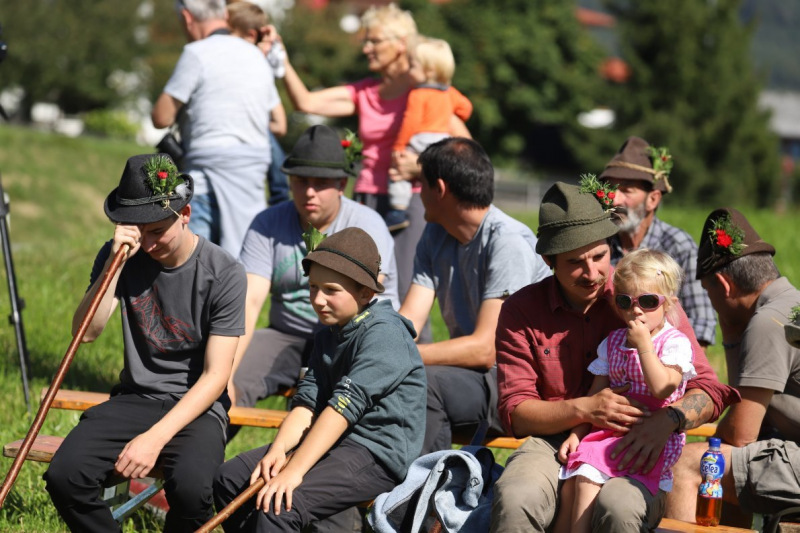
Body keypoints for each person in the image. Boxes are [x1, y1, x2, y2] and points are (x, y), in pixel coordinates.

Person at [491, 180, 739, 533]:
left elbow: (710, 391)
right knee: (517, 498)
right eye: (575, 262)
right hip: (554, 440)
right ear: (548, 261)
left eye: (599, 256)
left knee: (619, 507)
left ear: (611, 246)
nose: (592, 273)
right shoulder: (522, 310)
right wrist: (584, 411)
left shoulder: (646, 298)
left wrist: (666, 421)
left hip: (638, 441)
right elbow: (516, 411)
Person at [43, 154, 246, 532]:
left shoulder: (224, 271)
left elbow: (216, 377)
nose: (148, 244)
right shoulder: (119, 255)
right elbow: (85, 332)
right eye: (138, 230)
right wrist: (114, 265)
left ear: (184, 214)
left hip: (196, 407)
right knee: (65, 475)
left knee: (191, 490)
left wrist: (154, 438)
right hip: (135, 397)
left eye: (157, 231)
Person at [213, 227, 426, 532]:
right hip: (332, 440)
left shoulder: (385, 333)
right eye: (313, 287)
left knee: (280, 505)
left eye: (331, 290)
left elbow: (344, 406)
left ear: (366, 292)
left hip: (375, 454)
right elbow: (307, 402)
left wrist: (294, 470)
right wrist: (278, 450)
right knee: (231, 478)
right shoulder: (328, 334)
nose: (318, 300)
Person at [272, 3, 468, 335]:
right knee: (362, 282)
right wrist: (282, 60)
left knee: (407, 286)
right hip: (366, 196)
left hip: (409, 203)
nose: (366, 48)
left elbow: (465, 151)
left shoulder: (423, 90)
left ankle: (416, 369)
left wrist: (422, 166)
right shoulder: (366, 92)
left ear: (401, 43)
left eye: (374, 40)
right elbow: (307, 103)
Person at [229, 124, 398, 417]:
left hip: (351, 337)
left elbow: (364, 303)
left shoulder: (366, 226)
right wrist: (226, 375)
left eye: (321, 182)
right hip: (286, 332)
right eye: (300, 181)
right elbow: (250, 300)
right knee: (223, 387)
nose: (309, 192)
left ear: (341, 184)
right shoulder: (266, 224)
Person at [397, 137, 551, 454]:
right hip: (467, 377)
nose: (418, 192)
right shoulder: (436, 232)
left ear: (439, 188)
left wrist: (398, 357)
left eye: (419, 183)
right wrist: (375, 348)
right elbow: (408, 322)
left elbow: (485, 351)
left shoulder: (507, 242)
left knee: (421, 385)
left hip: (518, 385)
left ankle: (426, 497)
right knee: (380, 380)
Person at [666, 208, 800, 527]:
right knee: (727, 459)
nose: (711, 303)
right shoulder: (789, 303)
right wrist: (731, 333)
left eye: (709, 292)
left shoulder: (768, 323)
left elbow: (740, 434)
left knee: (689, 463)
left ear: (724, 286)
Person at [554, 249, 696, 533]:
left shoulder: (674, 343)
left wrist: (644, 345)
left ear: (669, 304)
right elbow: (596, 396)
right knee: (575, 482)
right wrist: (576, 433)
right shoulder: (613, 342)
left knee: (592, 485)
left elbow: (662, 388)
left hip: (647, 438)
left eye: (647, 301)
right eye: (625, 301)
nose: (636, 310)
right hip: (607, 432)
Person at [152, 0, 280, 257]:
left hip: (205, 175)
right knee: (240, 264)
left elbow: (161, 117)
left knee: (194, 264)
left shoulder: (197, 53)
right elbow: (278, 121)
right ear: (223, 13)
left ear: (188, 18)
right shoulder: (257, 56)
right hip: (251, 177)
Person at [599, 136, 717, 347]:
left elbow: (701, 326)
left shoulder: (677, 246)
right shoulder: (599, 246)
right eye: (611, 189)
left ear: (653, 199)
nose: (614, 200)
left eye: (626, 190)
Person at [384, 36, 473, 232]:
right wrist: (453, 112)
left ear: (429, 70)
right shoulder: (449, 92)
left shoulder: (417, 94)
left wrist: (399, 145)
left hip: (420, 138)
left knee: (398, 173)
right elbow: (466, 108)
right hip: (442, 140)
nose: (409, 70)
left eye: (413, 66)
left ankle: (397, 210)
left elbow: (410, 122)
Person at [226, 0, 290, 207]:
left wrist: (268, 43)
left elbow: (280, 125)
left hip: (255, 129)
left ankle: (280, 201)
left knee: (274, 150)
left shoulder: (260, 60)